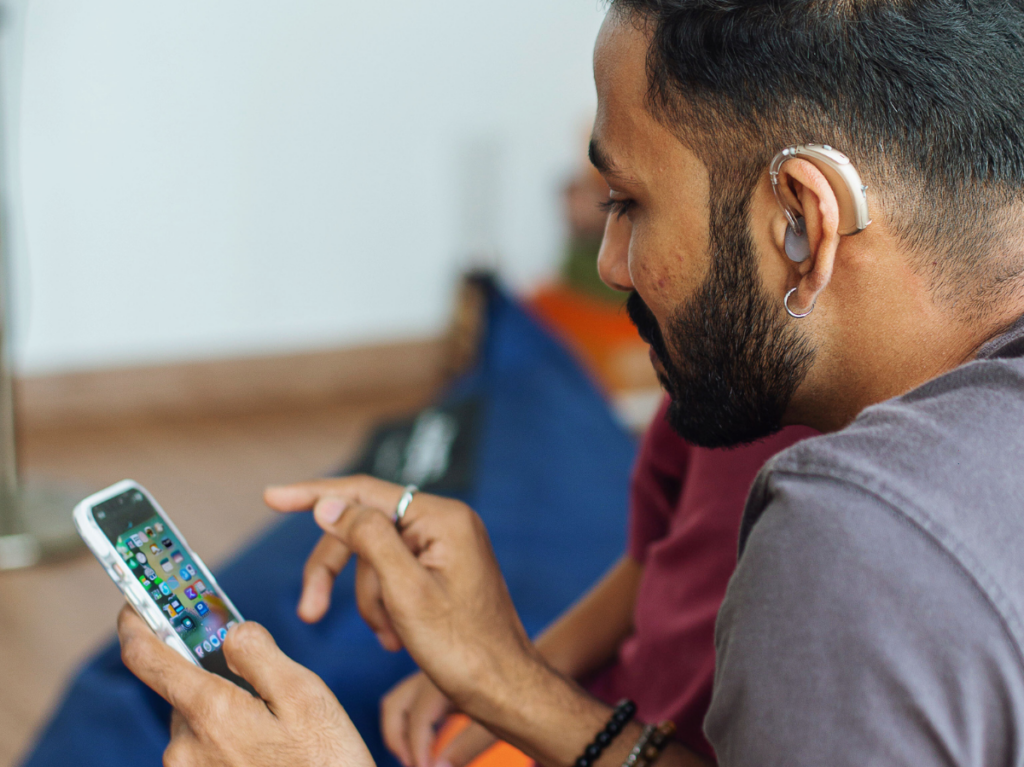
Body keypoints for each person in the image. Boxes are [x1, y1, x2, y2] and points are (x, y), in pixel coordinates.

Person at [115, 0, 1024, 765]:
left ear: (803, 221)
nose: (611, 262)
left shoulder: (855, 544)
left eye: (628, 203)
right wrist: (503, 675)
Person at [378, 401, 815, 767]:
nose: (626, 293)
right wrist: (512, 665)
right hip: (601, 710)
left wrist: (509, 688)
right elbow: (650, 559)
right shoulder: (710, 356)